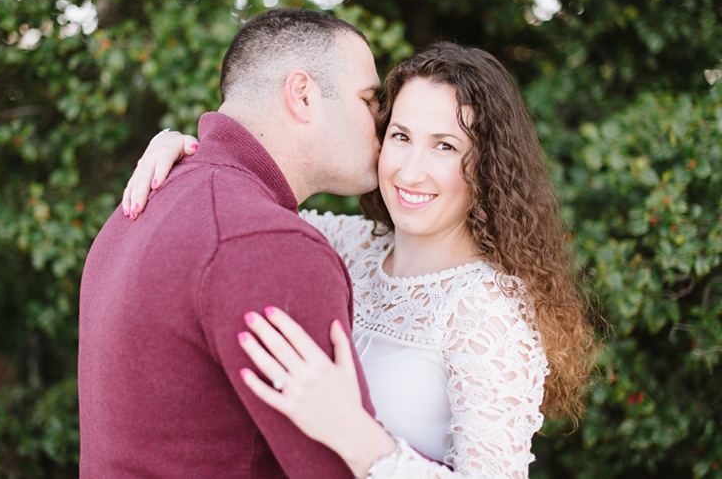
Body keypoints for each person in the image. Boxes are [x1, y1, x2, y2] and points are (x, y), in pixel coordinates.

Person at [125, 42, 594, 478]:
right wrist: (186, 149)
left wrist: (354, 433)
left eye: (445, 146)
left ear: (487, 165)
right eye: (401, 136)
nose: (410, 170)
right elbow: (242, 202)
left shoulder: (487, 309)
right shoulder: (348, 243)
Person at [78, 8, 397, 478]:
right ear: (303, 95)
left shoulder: (149, 199)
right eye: (369, 99)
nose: (382, 122)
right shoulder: (269, 245)